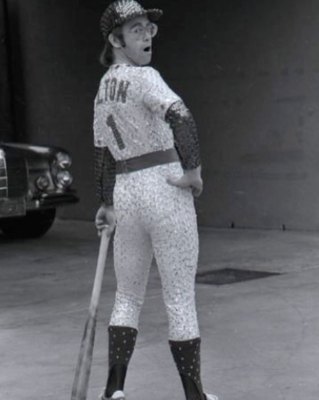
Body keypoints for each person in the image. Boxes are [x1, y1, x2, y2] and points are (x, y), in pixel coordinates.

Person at [93, 1, 219, 400]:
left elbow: (102, 154)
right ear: (116, 39)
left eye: (149, 27)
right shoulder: (145, 77)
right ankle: (195, 395)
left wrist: (106, 202)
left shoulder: (103, 88)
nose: (146, 34)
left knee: (127, 296)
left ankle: (114, 389)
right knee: (179, 296)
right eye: (136, 29)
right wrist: (194, 172)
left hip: (126, 193)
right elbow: (180, 115)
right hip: (164, 187)